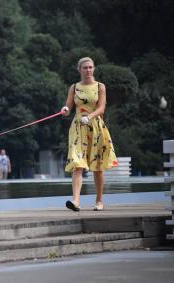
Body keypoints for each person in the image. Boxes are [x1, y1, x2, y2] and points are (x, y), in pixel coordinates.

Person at [61, 57, 117, 212]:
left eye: (91, 67)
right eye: (85, 68)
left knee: (97, 167)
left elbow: (101, 108)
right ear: (79, 70)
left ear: (94, 69)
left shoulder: (100, 87)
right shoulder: (74, 87)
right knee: (77, 164)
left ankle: (99, 201)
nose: (88, 70)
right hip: (78, 129)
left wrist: (90, 117)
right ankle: (76, 201)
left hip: (96, 128)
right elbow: (68, 105)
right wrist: (65, 109)